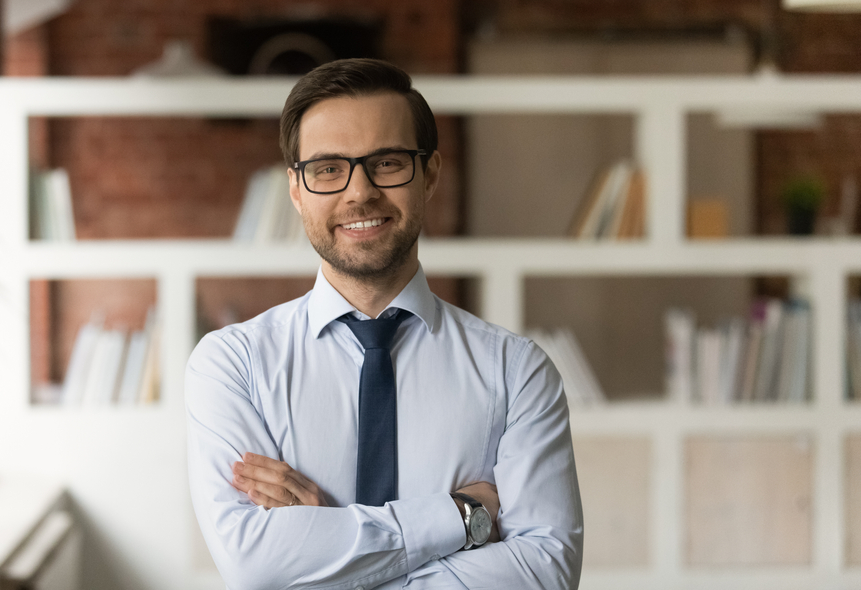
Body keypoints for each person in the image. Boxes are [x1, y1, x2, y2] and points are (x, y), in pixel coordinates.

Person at [186, 58, 583, 589]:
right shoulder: (233, 366)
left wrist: (322, 553)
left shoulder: (516, 372)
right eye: (328, 169)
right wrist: (461, 518)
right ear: (296, 189)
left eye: (388, 162)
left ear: (431, 174)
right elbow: (254, 564)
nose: (360, 192)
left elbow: (544, 573)